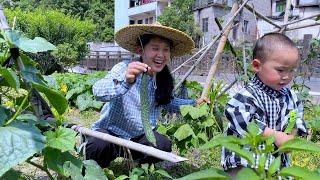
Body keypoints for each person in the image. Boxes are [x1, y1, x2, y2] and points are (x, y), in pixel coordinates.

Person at [85, 22, 206, 168]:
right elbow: (98, 91)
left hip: (139, 138)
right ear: (140, 50)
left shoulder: (161, 78)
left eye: (166, 50)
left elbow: (168, 102)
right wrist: (126, 81)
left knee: (163, 145)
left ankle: (136, 165)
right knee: (97, 145)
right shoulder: (124, 68)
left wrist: (194, 104)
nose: (161, 55)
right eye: (155, 48)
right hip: (112, 134)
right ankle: (95, 170)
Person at [221, 33, 308, 178]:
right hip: (246, 161)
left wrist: (292, 137)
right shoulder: (247, 95)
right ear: (257, 65)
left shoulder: (291, 97)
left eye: (291, 70)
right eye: (280, 70)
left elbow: (298, 119)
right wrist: (274, 136)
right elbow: (241, 120)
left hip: (276, 162)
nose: (286, 76)